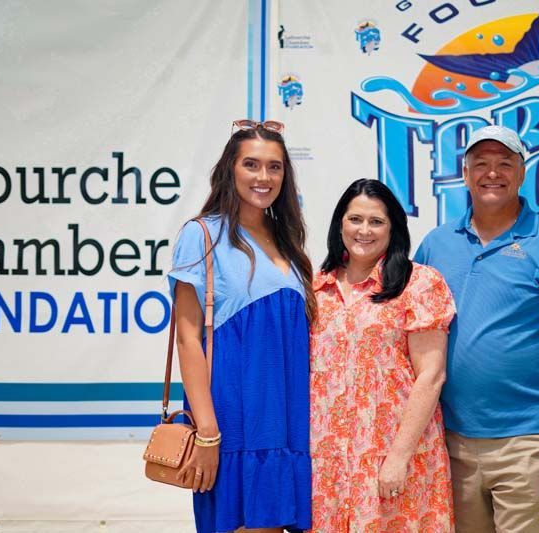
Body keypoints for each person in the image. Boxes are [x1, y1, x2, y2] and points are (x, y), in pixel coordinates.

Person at [414, 125, 539, 533]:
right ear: (465, 174)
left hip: (528, 442)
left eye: (504, 163)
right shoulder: (435, 245)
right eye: (481, 164)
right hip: (449, 441)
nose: (492, 173)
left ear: (521, 173)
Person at [168, 119, 315, 533]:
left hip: (290, 423)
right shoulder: (202, 235)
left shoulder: (287, 239)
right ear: (230, 169)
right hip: (237, 424)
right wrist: (209, 433)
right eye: (251, 164)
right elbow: (188, 339)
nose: (263, 177)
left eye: (275, 167)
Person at [309, 179, 456, 531]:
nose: (364, 230)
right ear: (339, 224)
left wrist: (398, 458)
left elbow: (431, 375)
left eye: (376, 222)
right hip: (328, 467)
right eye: (354, 219)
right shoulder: (317, 288)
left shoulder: (419, 283)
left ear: (394, 229)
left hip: (394, 459)